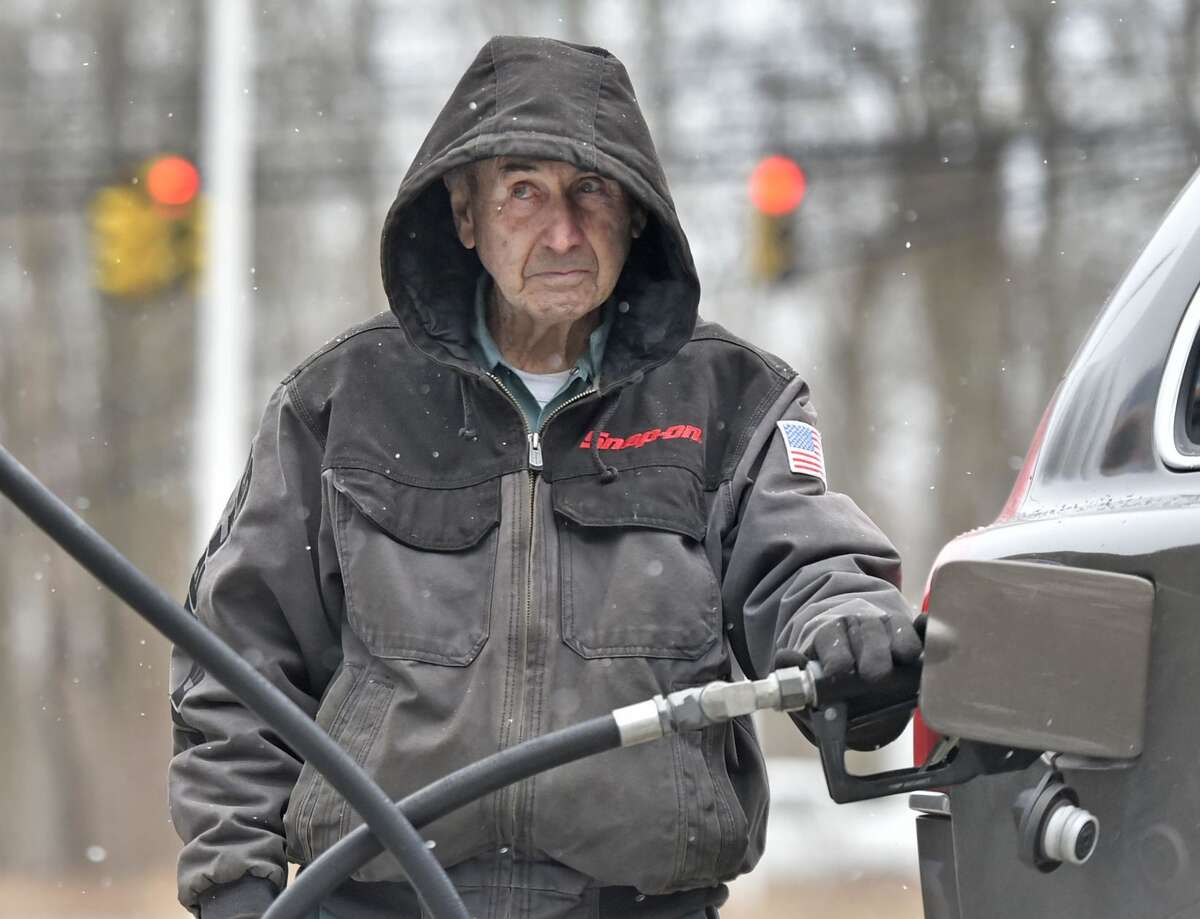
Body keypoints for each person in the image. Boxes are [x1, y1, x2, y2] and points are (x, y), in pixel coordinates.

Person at [168, 35, 921, 919]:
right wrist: (235, 883)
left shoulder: (733, 401)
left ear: (635, 214)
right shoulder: (339, 405)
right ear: (464, 214)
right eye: (523, 190)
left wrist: (849, 633)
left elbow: (808, 564)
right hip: (376, 903)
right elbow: (237, 661)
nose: (561, 231)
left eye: (591, 190)